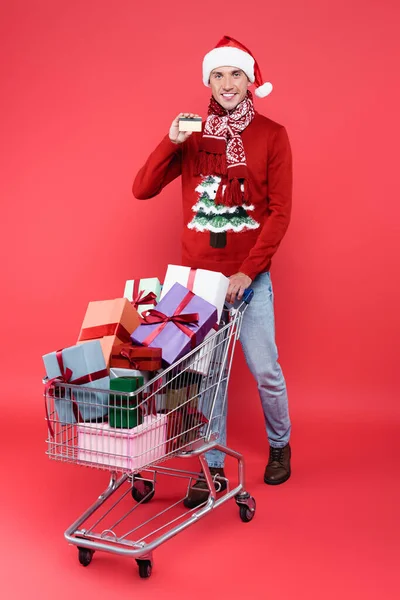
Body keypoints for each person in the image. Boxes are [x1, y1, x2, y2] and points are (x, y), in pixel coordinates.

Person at [133, 35, 293, 508]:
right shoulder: (192, 133)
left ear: (249, 81)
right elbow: (141, 189)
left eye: (236, 74)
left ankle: (280, 443)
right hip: (198, 282)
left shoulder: (273, 135)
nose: (227, 83)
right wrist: (171, 139)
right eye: (218, 75)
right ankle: (213, 466)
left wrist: (248, 272)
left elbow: (280, 212)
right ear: (208, 81)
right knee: (208, 377)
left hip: (249, 278)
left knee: (264, 370)